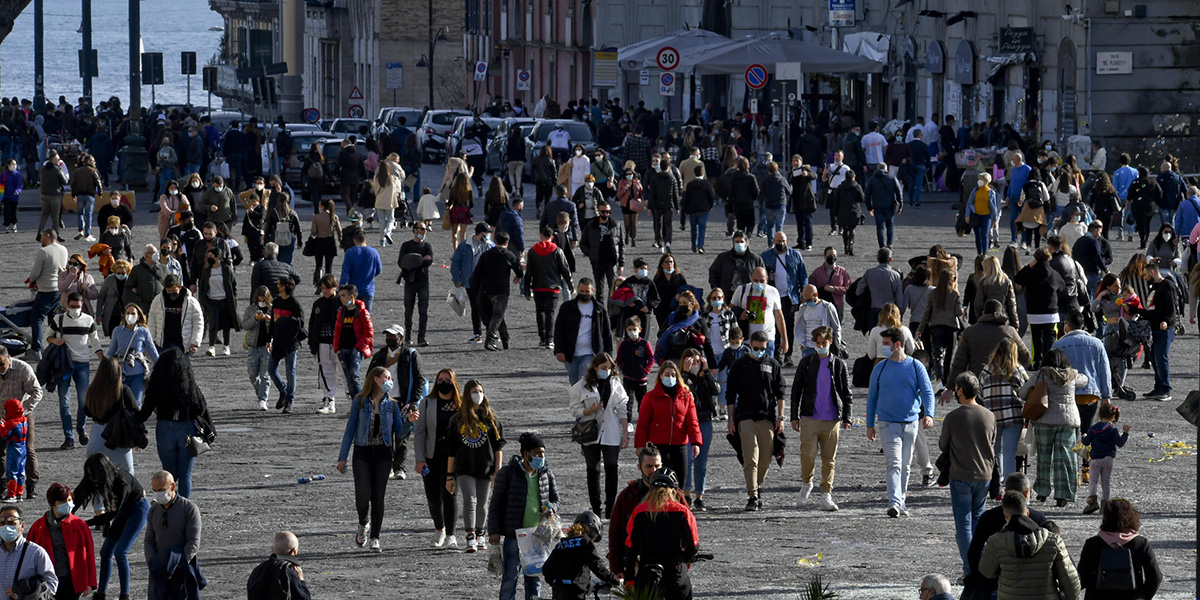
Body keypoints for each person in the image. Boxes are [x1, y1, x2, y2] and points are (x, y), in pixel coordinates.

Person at [336, 366, 413, 552]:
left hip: (383, 453)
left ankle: (375, 537)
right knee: (363, 496)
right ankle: (363, 522)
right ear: (376, 379)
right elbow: (350, 430)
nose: (389, 381)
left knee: (378, 496)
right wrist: (342, 458)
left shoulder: (393, 405)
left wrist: (409, 421)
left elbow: (399, 432)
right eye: (386, 377)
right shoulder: (360, 402)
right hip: (362, 452)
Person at [865, 327, 935, 517]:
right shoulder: (880, 368)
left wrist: (929, 414)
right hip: (887, 423)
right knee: (894, 462)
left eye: (886, 344)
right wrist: (869, 424)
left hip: (911, 423)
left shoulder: (915, 366)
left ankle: (901, 500)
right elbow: (872, 397)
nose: (883, 347)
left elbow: (928, 391)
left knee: (905, 465)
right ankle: (894, 501)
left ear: (897, 344)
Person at [787, 325, 851, 512]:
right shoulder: (806, 363)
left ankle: (826, 493)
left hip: (831, 419)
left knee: (829, 458)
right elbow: (796, 390)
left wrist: (846, 416)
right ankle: (807, 482)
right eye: (818, 343)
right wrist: (794, 416)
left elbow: (846, 393)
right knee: (807, 454)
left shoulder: (839, 364)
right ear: (813, 343)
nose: (821, 345)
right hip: (809, 416)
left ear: (830, 342)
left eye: (824, 342)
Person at [488, 432, 559, 600]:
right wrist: (494, 531)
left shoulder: (546, 474)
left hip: (537, 536)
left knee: (534, 579)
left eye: (543, 453)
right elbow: (495, 504)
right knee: (510, 577)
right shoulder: (508, 473)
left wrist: (552, 509)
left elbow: (555, 499)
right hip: (514, 536)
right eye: (537, 453)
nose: (541, 457)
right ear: (526, 454)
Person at [136, 349, 214, 499]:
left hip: (164, 428)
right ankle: (183, 505)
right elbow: (201, 407)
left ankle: (168, 503)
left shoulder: (158, 385)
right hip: (186, 428)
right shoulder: (189, 385)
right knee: (185, 474)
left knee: (169, 473)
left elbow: (145, 412)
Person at [940, 373, 997, 577]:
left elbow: (942, 444)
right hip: (984, 475)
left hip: (961, 474)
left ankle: (969, 569)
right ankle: (980, 567)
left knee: (963, 524)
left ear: (961, 391)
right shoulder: (989, 415)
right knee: (977, 523)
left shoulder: (953, 417)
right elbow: (992, 443)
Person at [961, 472, 1049, 599]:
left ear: (1006, 492)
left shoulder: (988, 517)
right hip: (1030, 585)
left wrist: (983, 577)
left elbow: (974, 552)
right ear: (1026, 493)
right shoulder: (1038, 518)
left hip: (995, 584)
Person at [979, 491, 1081, 600]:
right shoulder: (1053, 540)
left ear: (1005, 514)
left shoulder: (996, 541)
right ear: (1027, 513)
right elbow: (1071, 581)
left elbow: (986, 572)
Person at [724, 330, 785, 511]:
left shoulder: (773, 365)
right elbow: (730, 394)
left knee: (765, 459)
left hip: (767, 417)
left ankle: (757, 486)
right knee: (751, 457)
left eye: (763, 349)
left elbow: (780, 392)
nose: (759, 351)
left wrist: (781, 417)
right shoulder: (739, 365)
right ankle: (752, 496)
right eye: (756, 348)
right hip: (745, 416)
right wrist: (730, 419)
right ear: (750, 345)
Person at [1019, 348, 1087, 507]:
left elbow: (1023, 393)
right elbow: (1085, 380)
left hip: (1045, 421)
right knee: (1064, 459)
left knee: (1044, 459)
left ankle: (1042, 492)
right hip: (1067, 422)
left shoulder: (1040, 375)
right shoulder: (1072, 376)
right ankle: (1063, 495)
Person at [444, 379, 504, 553]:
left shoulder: (490, 418)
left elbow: (498, 446)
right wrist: (449, 474)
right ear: (467, 394)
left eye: (480, 391)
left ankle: (480, 533)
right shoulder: (458, 419)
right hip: (464, 467)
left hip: (485, 467)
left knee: (483, 504)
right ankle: (470, 535)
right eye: (474, 391)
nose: (478, 394)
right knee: (470, 500)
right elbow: (451, 450)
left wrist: (497, 468)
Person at [569, 354, 629, 518]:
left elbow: (623, 410)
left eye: (609, 368)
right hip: (590, 432)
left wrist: (625, 434)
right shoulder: (582, 385)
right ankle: (596, 508)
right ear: (594, 367)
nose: (607, 371)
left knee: (612, 468)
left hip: (611, 431)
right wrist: (589, 410)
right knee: (592, 470)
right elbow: (575, 409)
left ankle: (610, 507)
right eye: (603, 368)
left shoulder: (616, 384)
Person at [623, 469, 699, 599]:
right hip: (675, 571)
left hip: (647, 572)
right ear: (674, 490)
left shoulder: (639, 511)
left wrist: (629, 579)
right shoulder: (682, 511)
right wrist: (683, 560)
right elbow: (693, 545)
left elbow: (631, 548)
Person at [414, 368, 463, 549]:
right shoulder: (427, 403)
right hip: (431, 455)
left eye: (447, 380)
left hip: (453, 456)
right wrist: (420, 459)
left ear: (454, 382)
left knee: (449, 494)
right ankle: (439, 528)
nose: (443, 382)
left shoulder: (462, 404)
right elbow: (419, 432)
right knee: (433, 496)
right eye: (440, 379)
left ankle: (451, 534)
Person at [45, 291, 101, 449]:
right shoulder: (59, 319)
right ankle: (68, 436)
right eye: (72, 306)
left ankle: (81, 428)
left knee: (84, 401)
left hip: (82, 363)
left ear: (82, 305)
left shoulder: (88, 320)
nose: (76, 309)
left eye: (78, 306)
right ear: (67, 305)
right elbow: (47, 336)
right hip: (64, 365)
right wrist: (54, 340)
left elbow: (95, 341)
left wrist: (103, 360)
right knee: (64, 402)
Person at [1076, 499, 1162, 599]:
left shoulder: (1092, 543)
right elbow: (1155, 577)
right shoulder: (1140, 543)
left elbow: (1081, 578)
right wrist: (1143, 596)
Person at [634, 360, 701, 485]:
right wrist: (640, 445)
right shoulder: (650, 397)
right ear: (660, 376)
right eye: (667, 374)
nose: (670, 377)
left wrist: (696, 442)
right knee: (659, 481)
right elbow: (643, 423)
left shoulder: (686, 396)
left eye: (673, 375)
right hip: (658, 446)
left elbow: (692, 421)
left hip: (680, 444)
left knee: (679, 482)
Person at [27, 482, 96, 600]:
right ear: (52, 503)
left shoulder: (79, 525)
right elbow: (28, 556)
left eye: (69, 500)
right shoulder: (38, 527)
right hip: (46, 580)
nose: (68, 504)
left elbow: (89, 554)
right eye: (63, 501)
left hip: (72, 581)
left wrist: (90, 582)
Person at [143, 471, 203, 600]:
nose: (158, 494)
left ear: (173, 486)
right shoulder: (153, 510)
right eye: (154, 490)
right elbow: (149, 540)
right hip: (158, 568)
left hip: (182, 569)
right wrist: (152, 561)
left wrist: (179, 564)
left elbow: (193, 541)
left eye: (161, 490)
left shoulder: (189, 508)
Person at [977, 339, 1029, 482]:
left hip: (992, 417)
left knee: (995, 450)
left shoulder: (986, 370)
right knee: (1010, 452)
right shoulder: (1017, 369)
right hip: (1013, 416)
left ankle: (996, 480)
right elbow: (1026, 392)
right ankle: (1009, 482)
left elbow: (980, 392)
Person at [541, 511, 619, 600]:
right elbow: (596, 565)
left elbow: (546, 569)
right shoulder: (584, 542)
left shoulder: (561, 544)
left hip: (558, 591)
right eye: (594, 537)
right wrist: (613, 579)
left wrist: (556, 583)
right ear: (591, 531)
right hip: (575, 592)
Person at [469, 231, 524, 352]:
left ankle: (505, 339)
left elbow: (477, 273)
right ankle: (490, 340)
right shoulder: (509, 255)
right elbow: (519, 271)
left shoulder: (486, 255)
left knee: (497, 316)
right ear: (507, 242)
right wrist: (518, 276)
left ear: (495, 241)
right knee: (498, 315)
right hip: (502, 290)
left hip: (487, 290)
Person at [0, 346, 43, 500]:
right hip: (1, 417)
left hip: (22, 416)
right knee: (1, 451)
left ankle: (31, 485)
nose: (0, 368)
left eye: (1, 364)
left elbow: (37, 392)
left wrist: (20, 411)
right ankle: (4, 485)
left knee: (27, 449)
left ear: (8, 358)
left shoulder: (23, 368)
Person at [554, 279, 613, 385]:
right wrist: (559, 350)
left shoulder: (599, 309)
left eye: (587, 291)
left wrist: (609, 355)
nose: (584, 294)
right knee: (574, 383)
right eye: (582, 291)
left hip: (590, 353)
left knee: (583, 381)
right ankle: (577, 401)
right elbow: (559, 330)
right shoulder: (567, 308)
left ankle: (586, 401)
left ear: (592, 291)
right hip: (570, 354)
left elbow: (606, 334)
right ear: (578, 290)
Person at [1014, 248, 1067, 365]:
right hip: (1051, 310)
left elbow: (1017, 278)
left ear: (1036, 258)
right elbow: (1062, 287)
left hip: (1034, 311)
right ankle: (1051, 361)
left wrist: (1029, 266)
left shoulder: (1032, 273)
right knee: (1050, 338)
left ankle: (1037, 360)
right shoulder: (1053, 273)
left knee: (1037, 338)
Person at [1133, 262, 1177, 401]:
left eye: (1145, 274)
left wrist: (1166, 321)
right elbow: (1151, 311)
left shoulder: (1167, 285)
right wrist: (1135, 310)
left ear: (1152, 272)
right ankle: (1158, 387)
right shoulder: (1154, 287)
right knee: (1153, 357)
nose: (1144, 277)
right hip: (1155, 328)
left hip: (1165, 328)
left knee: (1160, 357)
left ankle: (1165, 389)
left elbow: (1172, 307)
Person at [524, 227, 574, 348]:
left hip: (537, 287)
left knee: (540, 311)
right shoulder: (557, 250)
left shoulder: (532, 251)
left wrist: (526, 289)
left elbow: (529, 272)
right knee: (550, 312)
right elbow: (565, 269)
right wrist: (570, 284)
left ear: (541, 235)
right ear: (552, 237)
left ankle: (542, 337)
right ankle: (550, 339)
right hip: (553, 287)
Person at [761, 232, 806, 364]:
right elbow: (759, 273)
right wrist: (767, 278)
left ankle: (788, 355)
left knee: (788, 326)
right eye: (778, 241)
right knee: (773, 325)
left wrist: (803, 290)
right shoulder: (765, 256)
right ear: (773, 241)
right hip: (772, 296)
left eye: (783, 241)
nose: (781, 243)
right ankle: (776, 354)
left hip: (789, 296)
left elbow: (803, 275)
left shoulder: (795, 255)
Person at [27, 230, 69, 360]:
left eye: (42, 237)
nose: (40, 240)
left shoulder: (43, 252)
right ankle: (54, 348)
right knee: (53, 321)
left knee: (36, 319)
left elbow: (35, 273)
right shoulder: (64, 249)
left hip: (46, 290)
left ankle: (36, 349)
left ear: (48, 236)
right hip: (58, 290)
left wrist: (31, 279)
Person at [0, 504, 60, 596]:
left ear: (22, 525)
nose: (6, 526)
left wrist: (29, 591)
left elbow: (52, 585)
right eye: (2, 523)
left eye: (12, 522)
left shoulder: (36, 553)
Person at [729, 267, 789, 359]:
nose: (758, 283)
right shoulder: (742, 290)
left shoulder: (773, 291)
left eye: (762, 281)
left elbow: (779, 316)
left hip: (767, 340)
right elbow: (731, 309)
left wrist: (784, 340)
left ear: (767, 279)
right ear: (751, 279)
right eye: (755, 280)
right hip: (746, 340)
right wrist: (740, 314)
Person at [106, 305, 159, 405]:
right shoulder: (117, 331)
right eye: (128, 313)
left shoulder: (143, 331)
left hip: (138, 373)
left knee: (136, 403)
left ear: (138, 316)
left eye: (133, 313)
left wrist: (163, 366)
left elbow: (153, 352)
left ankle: (135, 420)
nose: (130, 316)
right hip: (121, 373)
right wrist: (104, 364)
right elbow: (111, 351)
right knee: (120, 402)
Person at [333, 284, 374, 401]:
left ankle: (361, 402)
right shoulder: (342, 312)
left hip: (355, 350)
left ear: (351, 297)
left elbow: (368, 333)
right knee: (348, 379)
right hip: (343, 349)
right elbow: (337, 331)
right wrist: (337, 348)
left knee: (354, 376)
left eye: (343, 296)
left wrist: (358, 348)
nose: (341, 298)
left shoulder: (361, 312)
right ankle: (355, 403)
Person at [578, 201, 625, 304]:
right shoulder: (591, 226)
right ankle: (600, 310)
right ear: (598, 211)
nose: (606, 214)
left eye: (608, 212)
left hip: (611, 261)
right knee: (599, 288)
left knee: (612, 287)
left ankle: (611, 309)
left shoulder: (615, 225)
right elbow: (583, 243)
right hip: (597, 261)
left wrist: (621, 264)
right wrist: (590, 253)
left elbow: (621, 245)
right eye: (603, 212)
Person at [309, 275, 343, 414]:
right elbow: (312, 323)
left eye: (328, 288)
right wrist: (312, 343)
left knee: (345, 372)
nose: (325, 291)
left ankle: (352, 401)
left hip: (339, 344)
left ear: (335, 287)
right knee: (326, 372)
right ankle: (329, 401)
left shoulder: (341, 302)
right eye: (323, 288)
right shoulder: (318, 304)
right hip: (322, 342)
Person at [396, 223, 433, 347]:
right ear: (414, 230)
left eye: (425, 229)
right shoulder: (406, 245)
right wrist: (421, 259)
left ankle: (421, 337)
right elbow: (402, 262)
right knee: (408, 311)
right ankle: (408, 337)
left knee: (423, 311)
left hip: (423, 282)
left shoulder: (427, 245)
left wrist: (414, 260)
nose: (424, 232)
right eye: (422, 229)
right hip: (410, 282)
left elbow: (429, 261)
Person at [246, 532, 311, 600]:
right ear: (293, 551)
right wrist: (301, 580)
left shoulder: (258, 570)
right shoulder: (289, 572)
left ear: (272, 549)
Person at [858, 247, 904, 327]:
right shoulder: (895, 275)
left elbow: (858, 291)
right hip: (890, 312)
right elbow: (899, 299)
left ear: (878, 259)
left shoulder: (869, 273)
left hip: (874, 312)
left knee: (874, 336)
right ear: (890, 260)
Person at [339, 230, 383, 312]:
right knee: (366, 316)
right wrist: (370, 275)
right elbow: (379, 269)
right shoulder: (374, 252)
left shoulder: (350, 252)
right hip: (368, 290)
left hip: (353, 290)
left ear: (354, 241)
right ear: (366, 240)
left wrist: (340, 289)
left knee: (353, 317)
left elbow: (345, 273)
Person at [865, 163, 903, 249]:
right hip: (890, 205)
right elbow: (898, 192)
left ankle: (881, 246)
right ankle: (889, 245)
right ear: (886, 169)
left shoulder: (872, 179)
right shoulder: (892, 178)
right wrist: (900, 205)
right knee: (890, 225)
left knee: (880, 227)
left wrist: (869, 207)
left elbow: (867, 195)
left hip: (877, 206)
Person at [682, 165, 716, 253]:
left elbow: (686, 198)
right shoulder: (707, 184)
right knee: (702, 228)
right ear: (703, 173)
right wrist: (711, 205)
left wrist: (685, 209)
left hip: (692, 209)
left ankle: (694, 245)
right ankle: (700, 246)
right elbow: (711, 196)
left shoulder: (690, 185)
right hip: (704, 209)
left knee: (693, 229)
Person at [831, 169, 864, 254]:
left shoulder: (840, 187)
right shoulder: (857, 186)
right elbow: (862, 198)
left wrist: (835, 213)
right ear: (853, 177)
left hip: (842, 210)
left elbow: (836, 201)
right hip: (854, 210)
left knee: (845, 229)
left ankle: (845, 245)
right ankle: (851, 243)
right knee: (852, 228)